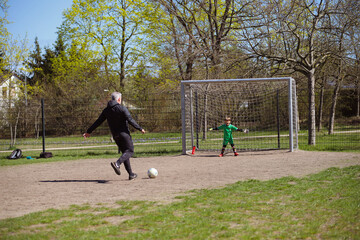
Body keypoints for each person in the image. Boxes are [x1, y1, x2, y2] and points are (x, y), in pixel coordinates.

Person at [83, 92, 146, 180]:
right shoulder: (122, 108)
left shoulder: (106, 110)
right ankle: (117, 164)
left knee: (125, 153)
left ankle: (131, 174)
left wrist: (88, 131)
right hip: (124, 134)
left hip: (115, 136)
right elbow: (130, 120)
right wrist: (140, 128)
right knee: (130, 151)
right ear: (119, 99)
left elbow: (98, 121)